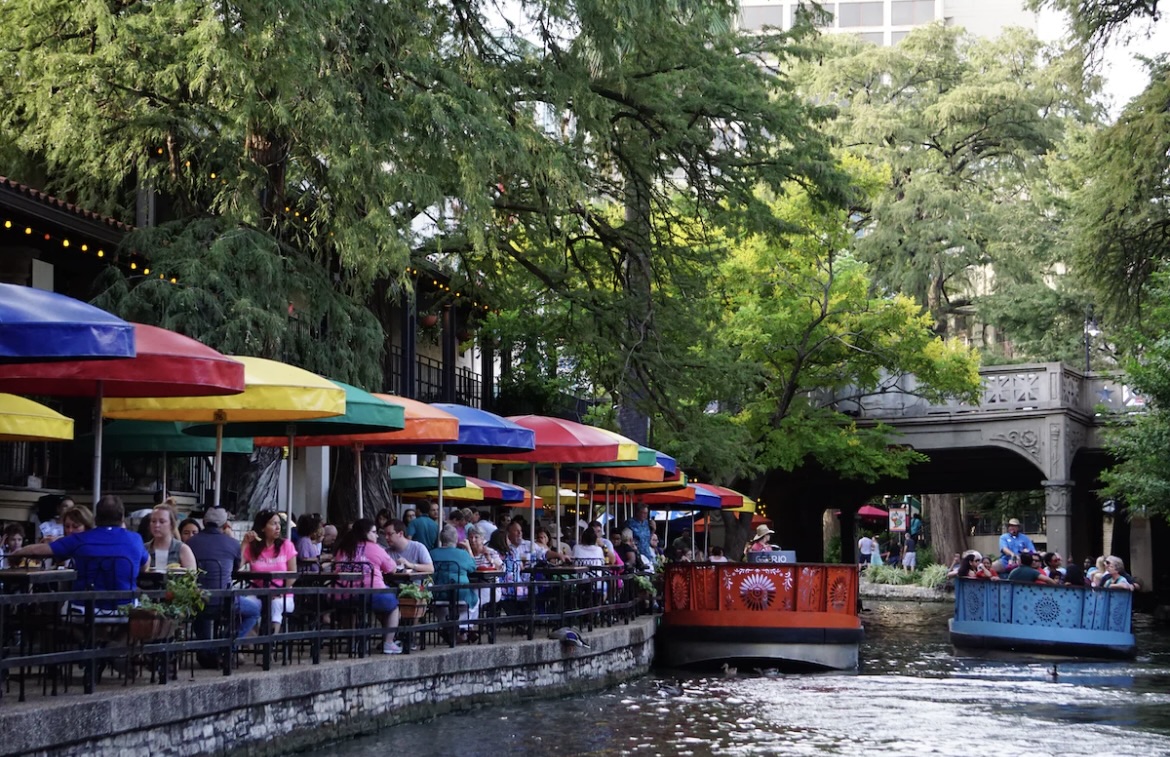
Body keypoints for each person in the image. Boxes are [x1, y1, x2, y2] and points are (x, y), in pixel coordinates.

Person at [9, 495, 149, 609]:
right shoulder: (135, 539)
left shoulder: (80, 539)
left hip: (84, 609)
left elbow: (38, 549)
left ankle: (85, 636)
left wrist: (17, 553)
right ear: (122, 517)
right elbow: (145, 565)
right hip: (125, 609)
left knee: (64, 609)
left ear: (96, 518)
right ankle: (115, 636)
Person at [187, 507, 261, 656]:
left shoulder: (190, 543)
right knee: (254, 611)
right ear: (226, 525)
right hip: (224, 601)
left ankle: (207, 649)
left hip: (196, 601)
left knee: (201, 613)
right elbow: (236, 569)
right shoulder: (232, 543)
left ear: (204, 522)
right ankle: (226, 644)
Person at [331, 518, 402, 654]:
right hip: (372, 593)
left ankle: (351, 642)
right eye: (374, 532)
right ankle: (388, 643)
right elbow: (392, 568)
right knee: (393, 606)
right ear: (365, 533)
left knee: (349, 609)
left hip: (343, 593)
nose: (377, 536)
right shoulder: (376, 548)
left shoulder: (343, 547)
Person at [241, 510, 298, 632]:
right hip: (257, 593)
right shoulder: (253, 547)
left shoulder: (286, 545)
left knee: (275, 605)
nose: (278, 527)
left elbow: (293, 573)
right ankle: (255, 640)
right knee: (246, 605)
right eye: (273, 523)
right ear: (262, 528)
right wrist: (245, 543)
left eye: (279, 523)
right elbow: (237, 565)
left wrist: (279, 591)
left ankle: (272, 640)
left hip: (282, 594)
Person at [430, 524, 479, 641]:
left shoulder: (432, 553)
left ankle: (446, 626)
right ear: (456, 539)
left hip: (438, 593)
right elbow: (473, 568)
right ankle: (462, 627)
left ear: (441, 539)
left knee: (440, 605)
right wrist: (469, 549)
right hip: (460, 593)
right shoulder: (462, 554)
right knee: (476, 599)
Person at [144, 504, 197, 571]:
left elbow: (191, 575)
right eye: (153, 521)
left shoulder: (183, 549)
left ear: (172, 525)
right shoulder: (143, 549)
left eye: (162, 522)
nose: (157, 525)